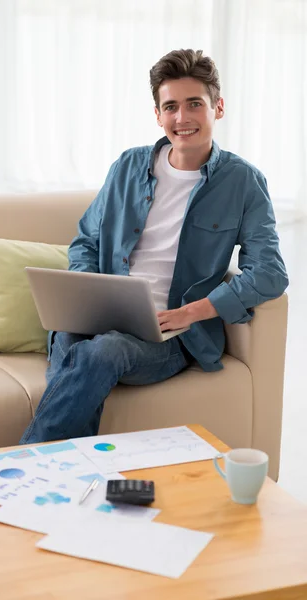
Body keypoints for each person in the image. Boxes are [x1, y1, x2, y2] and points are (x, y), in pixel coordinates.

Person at [20, 48, 288, 445]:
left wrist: (192, 312)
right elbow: (86, 241)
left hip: (172, 337)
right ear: (158, 114)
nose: (182, 118)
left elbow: (270, 273)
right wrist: (85, 295)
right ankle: (68, 479)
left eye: (194, 104)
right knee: (72, 337)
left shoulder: (243, 182)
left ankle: (24, 468)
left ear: (218, 107)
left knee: (101, 353)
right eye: (171, 107)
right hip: (100, 318)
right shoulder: (128, 167)